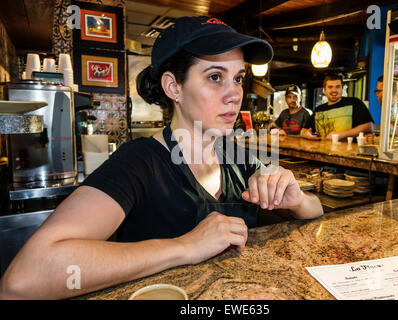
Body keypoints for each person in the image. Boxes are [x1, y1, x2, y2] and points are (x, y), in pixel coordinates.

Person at [0, 16, 323, 299]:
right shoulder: (139, 163)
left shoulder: (239, 156)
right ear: (173, 87)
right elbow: (22, 280)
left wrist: (297, 199)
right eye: (215, 77)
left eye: (238, 78)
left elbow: (315, 210)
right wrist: (185, 247)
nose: (234, 93)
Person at [301, 73, 374, 141]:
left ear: (342, 88)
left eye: (338, 87)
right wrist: (306, 135)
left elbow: (369, 127)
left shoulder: (354, 103)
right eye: (330, 87)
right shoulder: (319, 109)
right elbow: (303, 131)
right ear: (324, 90)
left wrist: (340, 135)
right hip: (322, 152)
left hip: (347, 152)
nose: (334, 90)